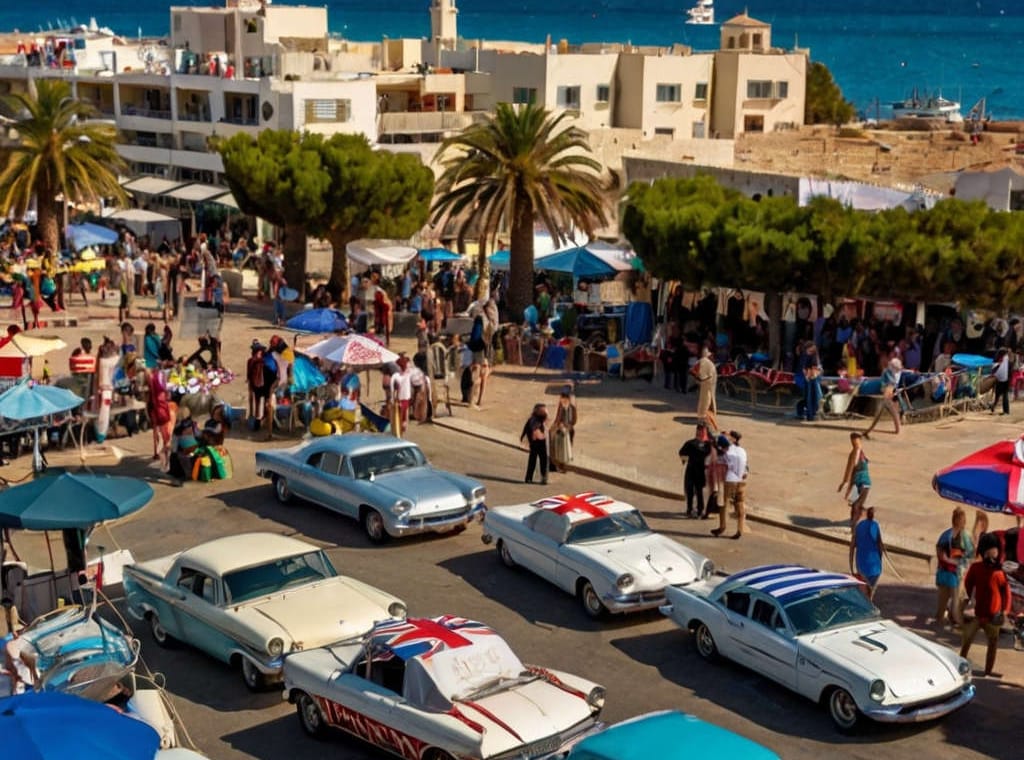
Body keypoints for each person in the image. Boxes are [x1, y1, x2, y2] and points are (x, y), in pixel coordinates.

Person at [960, 537, 1012, 677]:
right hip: (977, 614)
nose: (992, 557)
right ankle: (960, 665)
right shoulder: (976, 568)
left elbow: (1006, 592)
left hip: (993, 616)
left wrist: (1005, 611)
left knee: (993, 644)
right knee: (967, 638)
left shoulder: (1000, 573)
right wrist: (969, 598)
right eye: (989, 553)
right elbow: (968, 583)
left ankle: (988, 671)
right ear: (983, 553)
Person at [935, 507, 968, 627]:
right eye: (963, 520)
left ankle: (939, 621)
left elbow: (940, 554)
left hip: (944, 573)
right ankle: (960, 623)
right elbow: (945, 557)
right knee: (955, 602)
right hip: (952, 575)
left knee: (943, 602)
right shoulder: (955, 537)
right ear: (958, 520)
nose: (965, 523)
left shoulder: (947, 534)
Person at [713, 431, 748, 539]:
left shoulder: (727, 452)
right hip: (742, 480)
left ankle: (722, 527)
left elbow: (719, 462)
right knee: (740, 503)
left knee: (723, 503)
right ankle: (740, 529)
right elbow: (746, 465)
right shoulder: (742, 450)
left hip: (730, 480)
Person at [849, 507, 885, 600]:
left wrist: (851, 566)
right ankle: (870, 603)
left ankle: (867, 606)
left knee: (864, 593)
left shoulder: (859, 526)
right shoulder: (875, 525)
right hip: (875, 567)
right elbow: (880, 545)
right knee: (871, 591)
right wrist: (880, 561)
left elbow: (852, 547)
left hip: (862, 566)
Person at [864, 357, 903, 438]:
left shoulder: (895, 372)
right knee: (894, 412)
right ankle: (897, 429)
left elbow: (892, 383)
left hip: (891, 392)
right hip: (888, 392)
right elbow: (888, 383)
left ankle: (897, 429)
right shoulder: (888, 371)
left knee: (894, 412)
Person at [678, 422, 711, 518]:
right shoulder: (708, 445)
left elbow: (682, 454)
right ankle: (696, 509)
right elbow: (682, 454)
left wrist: (685, 460)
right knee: (695, 490)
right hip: (698, 470)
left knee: (693, 491)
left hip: (694, 469)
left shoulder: (691, 443)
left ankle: (693, 509)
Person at [838, 432, 871, 525]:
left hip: (863, 481)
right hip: (860, 482)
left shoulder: (859, 452)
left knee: (856, 504)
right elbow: (851, 467)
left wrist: (846, 483)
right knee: (856, 504)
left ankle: (856, 521)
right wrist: (845, 482)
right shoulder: (856, 452)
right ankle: (856, 522)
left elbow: (851, 467)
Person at [519, 403, 549, 485]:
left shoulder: (541, 420)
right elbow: (530, 430)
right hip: (535, 443)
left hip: (541, 442)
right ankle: (529, 477)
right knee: (533, 460)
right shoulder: (533, 420)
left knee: (543, 460)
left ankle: (543, 477)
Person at [550, 390, 577, 473]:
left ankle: (561, 466)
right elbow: (559, 418)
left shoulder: (571, 407)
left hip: (566, 429)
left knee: (562, 448)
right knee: (562, 448)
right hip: (564, 428)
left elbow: (573, 420)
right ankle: (558, 465)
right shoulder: (565, 406)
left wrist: (564, 426)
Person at [692, 347, 718, 429]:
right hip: (707, 384)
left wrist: (698, 379)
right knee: (706, 400)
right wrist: (701, 379)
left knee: (706, 400)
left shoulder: (703, 361)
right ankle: (704, 417)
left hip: (707, 384)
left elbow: (694, 371)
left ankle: (705, 416)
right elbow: (702, 375)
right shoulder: (705, 362)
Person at [801, 343, 823, 421]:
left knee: (812, 397)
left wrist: (809, 375)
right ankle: (811, 415)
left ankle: (811, 415)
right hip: (811, 379)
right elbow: (805, 368)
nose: (808, 352)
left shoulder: (813, 357)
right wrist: (808, 375)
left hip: (813, 378)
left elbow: (815, 369)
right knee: (812, 397)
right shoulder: (809, 356)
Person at [991, 348, 1011, 416]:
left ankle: (1005, 410)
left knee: (1001, 394)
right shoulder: (1006, 359)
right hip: (1005, 379)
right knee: (1000, 394)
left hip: (1002, 379)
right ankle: (996, 407)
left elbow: (994, 368)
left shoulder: (1003, 359)